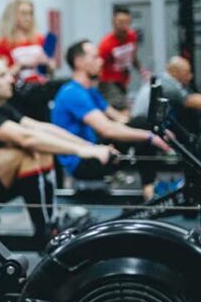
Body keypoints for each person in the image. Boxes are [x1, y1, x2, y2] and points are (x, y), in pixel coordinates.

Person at [0, 56, 113, 246]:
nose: (11, 79)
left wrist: (89, 147)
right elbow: (27, 138)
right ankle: (46, 230)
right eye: (2, 75)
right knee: (26, 151)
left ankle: (50, 222)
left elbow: (39, 128)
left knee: (41, 149)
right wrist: (81, 152)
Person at [51, 40, 171, 200]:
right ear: (79, 62)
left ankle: (150, 187)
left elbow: (119, 118)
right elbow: (106, 128)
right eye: (94, 58)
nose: (101, 62)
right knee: (141, 129)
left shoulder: (90, 91)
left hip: (96, 148)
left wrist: (153, 130)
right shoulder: (72, 93)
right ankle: (149, 191)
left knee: (141, 123)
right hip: (82, 162)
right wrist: (148, 136)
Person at [130, 55, 201, 135]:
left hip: (148, 124)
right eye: (187, 72)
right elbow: (192, 101)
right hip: (143, 126)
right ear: (174, 71)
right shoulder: (168, 85)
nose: (190, 77)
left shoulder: (163, 78)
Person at [0, 0, 53, 89]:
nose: (28, 18)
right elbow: (1, 75)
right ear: (12, 16)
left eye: (30, 13)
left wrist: (48, 64)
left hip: (41, 88)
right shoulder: (3, 44)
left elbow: (50, 71)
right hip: (17, 90)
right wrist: (21, 65)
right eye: (23, 14)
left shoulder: (39, 39)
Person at [98, 6, 147, 111]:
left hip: (123, 81)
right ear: (113, 22)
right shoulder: (106, 44)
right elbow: (98, 66)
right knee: (122, 109)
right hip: (108, 82)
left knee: (124, 107)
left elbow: (133, 57)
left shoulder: (132, 36)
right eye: (121, 22)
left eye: (127, 22)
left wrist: (143, 72)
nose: (124, 25)